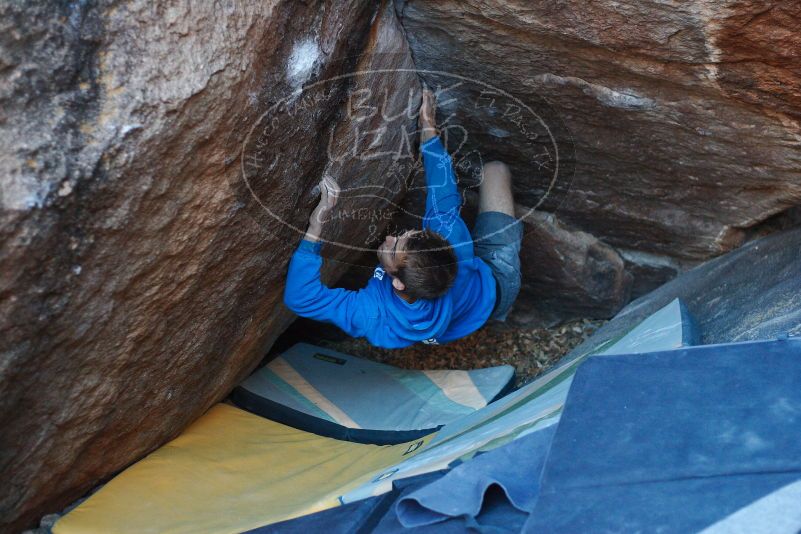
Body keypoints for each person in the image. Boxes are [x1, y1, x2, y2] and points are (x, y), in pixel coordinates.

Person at [283, 89, 523, 348]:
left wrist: (316, 226)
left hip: (467, 307)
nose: (388, 237)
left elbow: (301, 298)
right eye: (400, 239)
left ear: (396, 283)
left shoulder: (374, 315)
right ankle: (496, 314)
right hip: (497, 285)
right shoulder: (451, 238)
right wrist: (428, 129)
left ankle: (485, 314)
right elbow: (442, 193)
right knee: (496, 170)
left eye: (394, 245)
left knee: (493, 173)